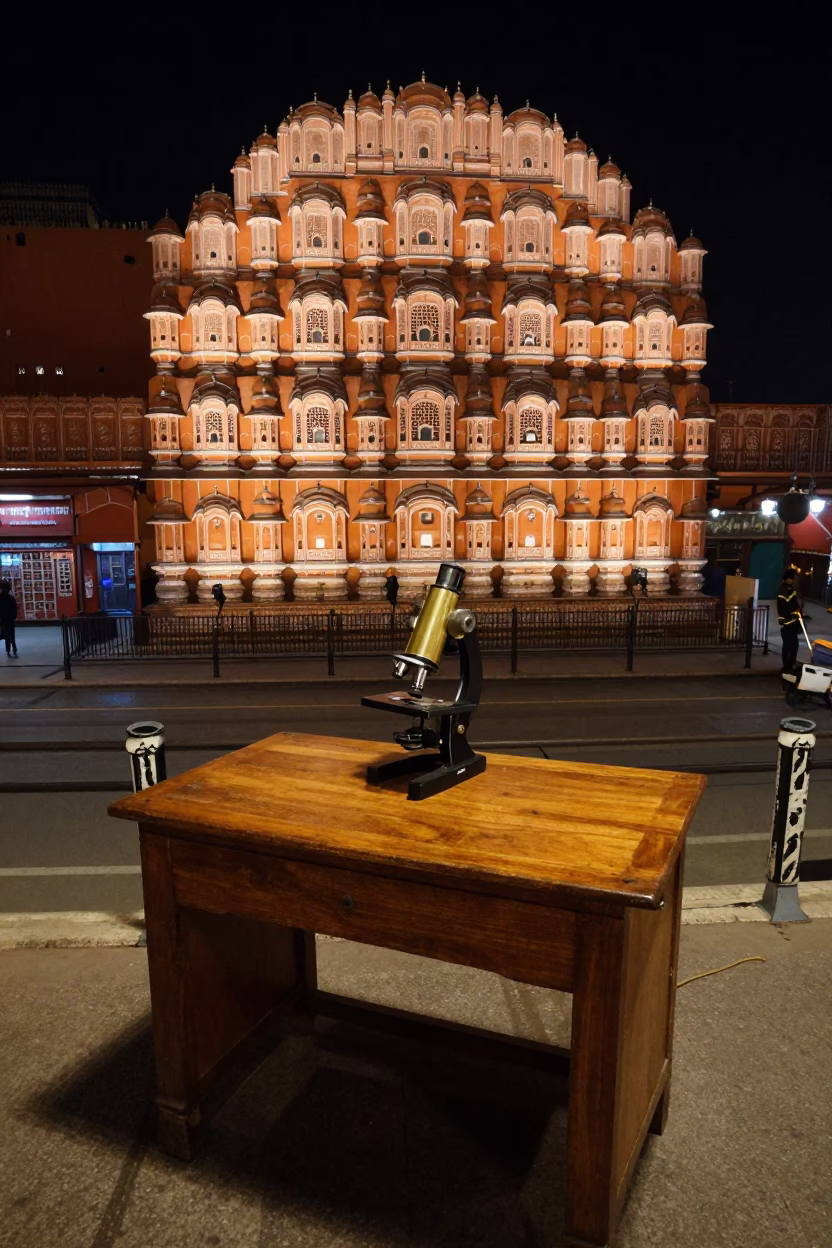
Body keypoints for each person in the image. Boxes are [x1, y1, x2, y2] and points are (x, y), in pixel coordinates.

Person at [776, 568, 802, 672]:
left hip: (794, 621)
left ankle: (790, 664)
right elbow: (783, 606)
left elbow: (795, 604)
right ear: (785, 579)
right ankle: (787, 665)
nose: (791, 581)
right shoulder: (783, 590)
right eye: (789, 579)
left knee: (794, 644)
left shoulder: (791, 589)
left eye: (792, 579)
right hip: (787, 622)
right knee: (788, 644)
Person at [0, 579, 18, 658]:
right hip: (10, 620)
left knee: (3, 634)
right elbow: (14, 609)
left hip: (2, 620)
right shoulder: (11, 598)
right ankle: (13, 650)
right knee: (11, 636)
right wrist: (14, 617)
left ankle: (8, 650)